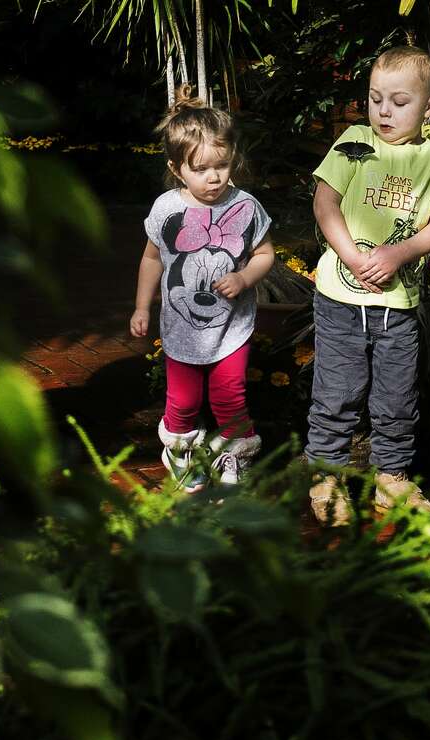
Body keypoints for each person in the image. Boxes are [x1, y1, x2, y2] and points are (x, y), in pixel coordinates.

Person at [305, 46, 430, 525]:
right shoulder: (355, 141)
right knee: (337, 391)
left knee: (396, 395)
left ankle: (391, 478)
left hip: (398, 302)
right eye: (376, 99)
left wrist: (399, 253)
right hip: (339, 297)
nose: (384, 111)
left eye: (399, 101)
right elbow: (325, 204)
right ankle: (326, 476)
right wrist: (353, 258)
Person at [130, 85, 274, 491]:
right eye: (200, 169)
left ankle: (232, 454)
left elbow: (265, 254)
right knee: (184, 401)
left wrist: (245, 277)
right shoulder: (166, 209)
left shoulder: (245, 206)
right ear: (178, 169)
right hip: (181, 329)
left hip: (232, 326)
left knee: (229, 395)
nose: (213, 178)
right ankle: (179, 451)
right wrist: (142, 307)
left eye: (223, 166)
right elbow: (151, 259)